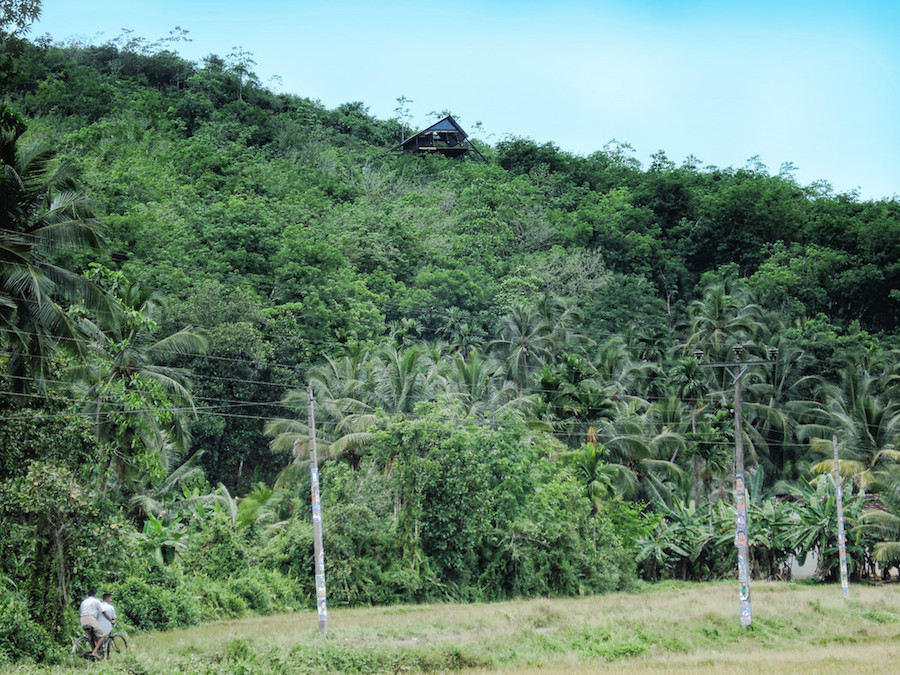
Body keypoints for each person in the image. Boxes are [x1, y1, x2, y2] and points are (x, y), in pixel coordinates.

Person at [78, 590, 111, 659]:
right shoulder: (96, 601)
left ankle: (93, 652)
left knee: (91, 637)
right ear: (95, 595)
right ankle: (95, 652)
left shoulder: (84, 602)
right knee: (103, 635)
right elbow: (103, 612)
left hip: (83, 620)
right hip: (91, 619)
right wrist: (110, 620)